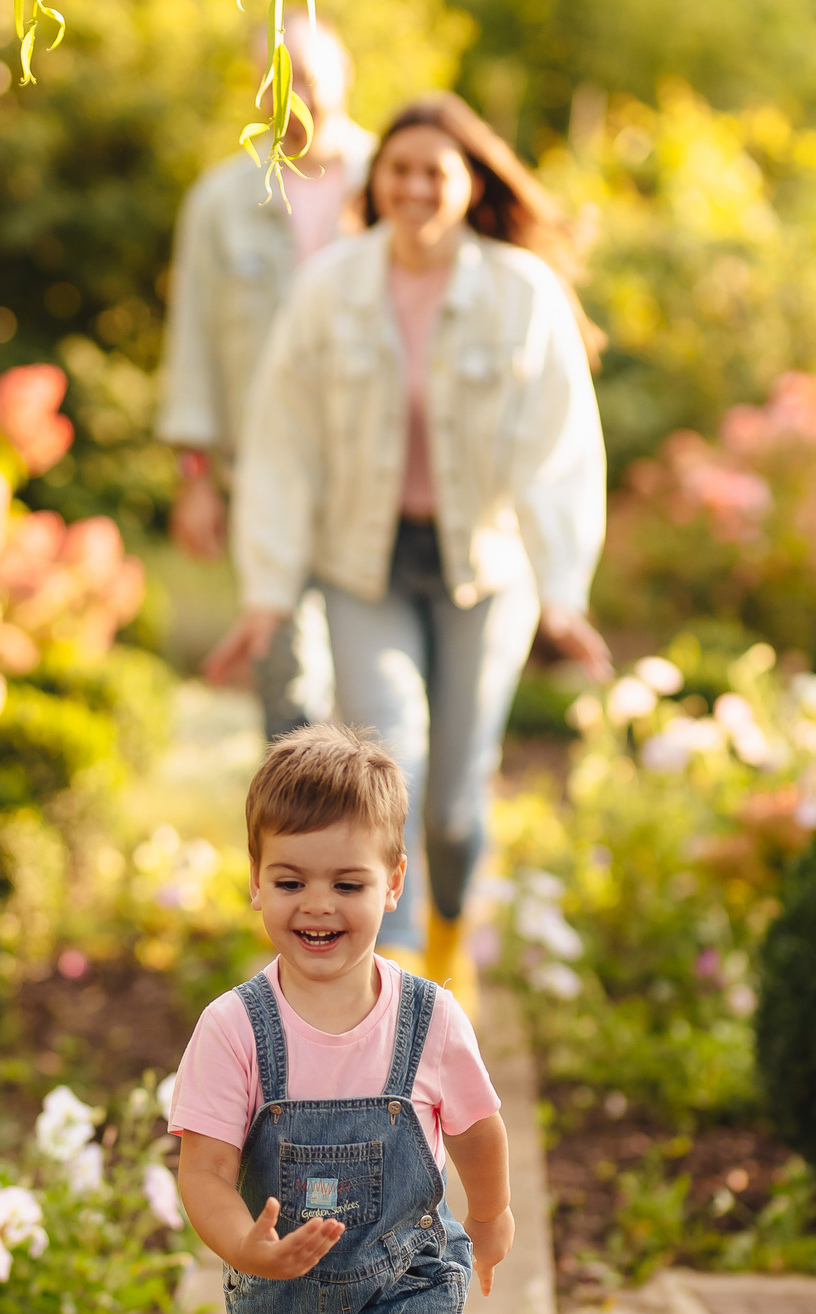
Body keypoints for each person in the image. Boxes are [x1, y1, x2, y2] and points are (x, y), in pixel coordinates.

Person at [204, 93, 613, 984]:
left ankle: (452, 940)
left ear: (469, 182)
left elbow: (561, 448)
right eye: (400, 169)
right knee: (390, 765)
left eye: (436, 170)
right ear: (375, 180)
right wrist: (268, 591)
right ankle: (396, 983)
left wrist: (563, 589)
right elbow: (282, 445)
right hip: (367, 565)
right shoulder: (330, 287)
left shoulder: (520, 290)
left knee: (457, 801)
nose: (417, 186)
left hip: (485, 570)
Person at [171, 724, 512, 1314]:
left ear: (394, 883)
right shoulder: (233, 1029)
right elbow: (203, 1166)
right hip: (283, 1305)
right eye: (291, 881)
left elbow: (478, 1125)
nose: (316, 905)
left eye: (348, 883)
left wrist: (494, 1210)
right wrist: (245, 1241)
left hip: (402, 1287)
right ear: (256, 879)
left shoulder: (429, 1019)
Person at [156, 18, 374, 739]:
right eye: (274, 75)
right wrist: (194, 478)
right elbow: (192, 345)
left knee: (375, 680)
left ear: (344, 72)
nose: (294, 90)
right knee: (286, 675)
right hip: (265, 472)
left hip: (377, 468)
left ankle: (380, 845)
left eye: (308, 72)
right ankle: (297, 841)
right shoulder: (221, 200)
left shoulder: (395, 182)